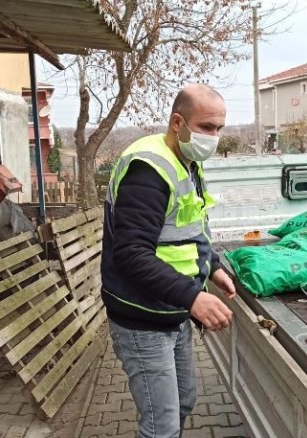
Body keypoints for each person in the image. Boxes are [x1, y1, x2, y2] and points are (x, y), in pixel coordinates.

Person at [101, 83, 236, 437]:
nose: (214, 137)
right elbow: (131, 254)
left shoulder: (187, 162)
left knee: (184, 402)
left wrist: (214, 267)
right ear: (178, 122)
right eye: (207, 127)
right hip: (141, 318)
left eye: (219, 129)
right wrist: (193, 297)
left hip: (170, 309)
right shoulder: (149, 171)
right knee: (161, 424)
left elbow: (190, 229)